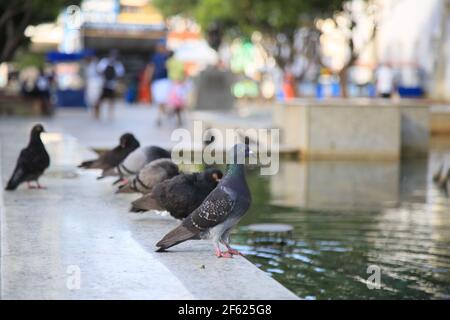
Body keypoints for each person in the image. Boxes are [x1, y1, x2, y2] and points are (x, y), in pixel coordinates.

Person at [93, 50, 125, 119]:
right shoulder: (104, 62)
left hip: (112, 85)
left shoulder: (117, 64)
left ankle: (110, 115)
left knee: (111, 100)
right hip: (103, 84)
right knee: (99, 100)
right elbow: (98, 71)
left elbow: (120, 74)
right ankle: (97, 113)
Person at [148, 39, 171, 126]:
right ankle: (162, 115)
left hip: (165, 81)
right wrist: (149, 79)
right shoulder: (155, 57)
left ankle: (159, 117)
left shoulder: (167, 57)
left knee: (162, 100)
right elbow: (151, 67)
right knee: (159, 101)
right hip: (157, 81)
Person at [167, 55, 188, 126]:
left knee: (176, 103)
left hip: (173, 83)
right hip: (179, 83)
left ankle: (173, 113)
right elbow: (184, 72)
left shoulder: (169, 62)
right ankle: (176, 116)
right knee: (178, 103)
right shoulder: (180, 63)